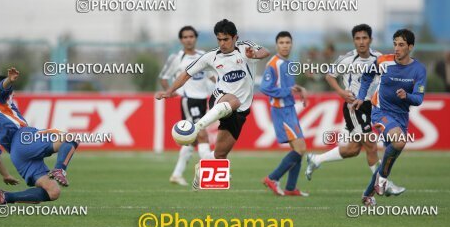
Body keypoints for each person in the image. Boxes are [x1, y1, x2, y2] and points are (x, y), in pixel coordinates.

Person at [156, 19, 270, 189]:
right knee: (233, 100)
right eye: (219, 39)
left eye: (226, 39)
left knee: (220, 154)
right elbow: (186, 74)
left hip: (241, 110)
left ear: (235, 38)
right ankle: (196, 127)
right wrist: (170, 91)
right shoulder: (211, 56)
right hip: (221, 98)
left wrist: (255, 55)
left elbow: (265, 52)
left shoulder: (246, 47)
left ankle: (200, 171)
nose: (222, 43)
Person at [305, 24, 405, 196]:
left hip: (371, 107)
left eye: (364, 38)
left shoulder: (379, 58)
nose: (361, 42)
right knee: (371, 146)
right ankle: (383, 184)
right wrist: (342, 92)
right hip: (355, 107)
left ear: (370, 40)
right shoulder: (346, 59)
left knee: (353, 149)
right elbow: (330, 76)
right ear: (353, 41)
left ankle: (316, 159)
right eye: (358, 38)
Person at [0, 67, 79, 209]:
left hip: (18, 156)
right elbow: (2, 88)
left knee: (53, 192)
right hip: (23, 138)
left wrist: (5, 175)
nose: (13, 92)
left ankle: (6, 197)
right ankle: (60, 169)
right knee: (71, 138)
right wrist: (9, 80)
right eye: (12, 89)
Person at [353, 29, 426, 206]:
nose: (397, 48)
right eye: (395, 44)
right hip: (380, 112)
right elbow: (367, 76)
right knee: (400, 141)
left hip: (401, 117)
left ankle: (368, 195)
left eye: (401, 45)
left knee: (388, 160)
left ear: (410, 47)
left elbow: (419, 98)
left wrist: (406, 97)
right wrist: (362, 97)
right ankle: (382, 181)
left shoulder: (419, 70)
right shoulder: (383, 61)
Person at [159, 26, 215, 186]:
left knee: (191, 139)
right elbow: (164, 78)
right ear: (181, 40)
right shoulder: (176, 58)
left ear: (195, 38)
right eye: (185, 37)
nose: (188, 39)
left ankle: (176, 174)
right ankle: (210, 172)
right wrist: (172, 92)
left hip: (202, 100)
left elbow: (212, 76)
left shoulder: (203, 56)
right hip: (188, 100)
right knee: (202, 134)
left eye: (191, 36)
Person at [260, 31, 309, 196]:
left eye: (288, 42)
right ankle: (272, 178)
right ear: (276, 45)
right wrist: (288, 90)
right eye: (281, 42)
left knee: (298, 149)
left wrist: (298, 89)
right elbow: (265, 88)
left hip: (289, 109)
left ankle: (290, 188)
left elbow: (288, 86)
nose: (285, 45)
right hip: (281, 111)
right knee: (300, 148)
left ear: (291, 44)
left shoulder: (287, 63)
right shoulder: (274, 64)